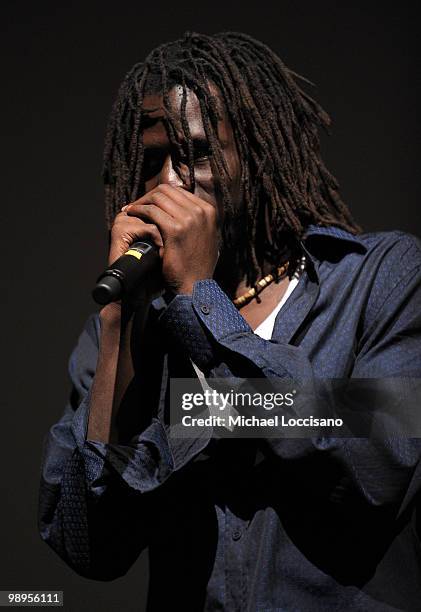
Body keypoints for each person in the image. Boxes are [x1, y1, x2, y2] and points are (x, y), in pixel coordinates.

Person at [38, 31, 421, 611]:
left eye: (194, 156)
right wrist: (119, 327)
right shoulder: (125, 333)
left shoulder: (383, 280)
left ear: (257, 160)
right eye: (149, 162)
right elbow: (88, 547)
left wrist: (200, 300)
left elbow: (378, 465)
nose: (167, 183)